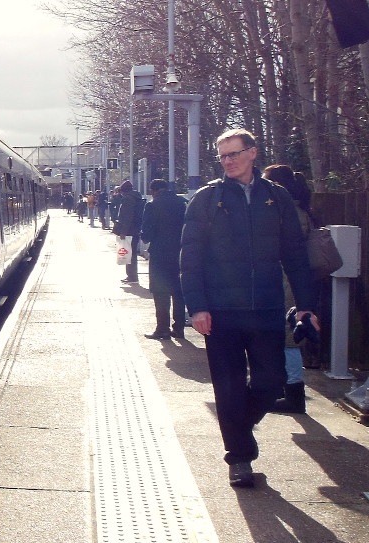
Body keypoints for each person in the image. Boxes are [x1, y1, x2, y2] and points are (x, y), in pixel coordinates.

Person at [181, 128, 319, 488]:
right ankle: (239, 458)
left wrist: (305, 305)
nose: (228, 161)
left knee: (271, 381)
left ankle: (240, 426)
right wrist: (197, 307)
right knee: (227, 387)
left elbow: (295, 254)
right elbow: (190, 258)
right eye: (223, 156)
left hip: (267, 306)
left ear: (253, 153)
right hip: (220, 310)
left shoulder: (277, 197)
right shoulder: (207, 199)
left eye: (234, 154)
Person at [263, 165, 315, 414]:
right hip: (288, 280)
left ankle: (294, 395)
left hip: (286, 282)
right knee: (285, 339)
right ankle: (288, 389)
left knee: (288, 339)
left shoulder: (289, 211)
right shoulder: (301, 208)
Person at [141, 179, 187, 340]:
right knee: (178, 291)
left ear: (154, 190)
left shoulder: (153, 205)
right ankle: (179, 328)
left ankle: (162, 329)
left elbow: (146, 234)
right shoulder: (182, 203)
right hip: (181, 252)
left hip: (160, 254)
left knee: (160, 292)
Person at [112, 180, 143, 283]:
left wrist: (123, 232)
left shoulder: (128, 199)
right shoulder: (137, 197)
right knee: (131, 253)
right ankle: (132, 275)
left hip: (129, 231)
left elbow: (127, 217)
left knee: (129, 254)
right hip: (135, 229)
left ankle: (132, 276)